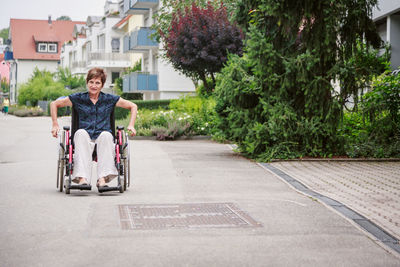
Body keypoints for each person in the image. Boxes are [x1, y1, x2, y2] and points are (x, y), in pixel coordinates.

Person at [50, 68, 137, 190]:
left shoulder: (109, 99)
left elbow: (133, 106)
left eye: (97, 83)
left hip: (103, 139)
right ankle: (82, 178)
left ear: (102, 85)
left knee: (107, 135)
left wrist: (131, 125)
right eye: (91, 82)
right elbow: (54, 104)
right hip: (84, 139)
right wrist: (55, 124)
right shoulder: (78, 98)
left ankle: (102, 179)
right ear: (87, 82)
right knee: (80, 133)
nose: (94, 86)